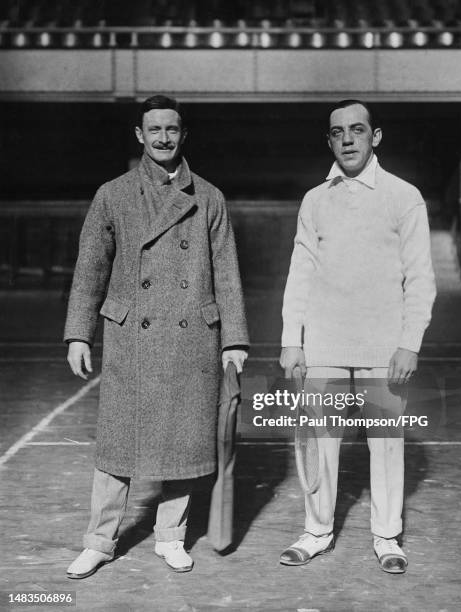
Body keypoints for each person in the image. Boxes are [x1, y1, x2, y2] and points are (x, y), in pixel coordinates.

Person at [64, 95, 249, 578]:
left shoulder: (209, 197)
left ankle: (170, 537)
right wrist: (78, 335)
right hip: (131, 335)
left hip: (192, 336)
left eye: (172, 129)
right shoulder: (113, 194)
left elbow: (227, 274)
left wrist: (234, 342)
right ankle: (100, 541)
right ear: (140, 136)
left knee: (183, 445)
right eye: (155, 130)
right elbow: (90, 269)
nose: (164, 138)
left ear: (183, 135)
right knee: (116, 445)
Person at [279, 99, 436, 573]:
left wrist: (410, 341)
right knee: (318, 441)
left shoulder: (403, 196)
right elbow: (300, 272)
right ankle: (317, 531)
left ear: (376, 136)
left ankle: (387, 537)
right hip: (323, 345)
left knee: (386, 443)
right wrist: (292, 340)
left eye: (357, 130)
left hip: (383, 349)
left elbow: (420, 277)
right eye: (337, 132)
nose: (347, 139)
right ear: (328, 140)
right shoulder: (314, 199)